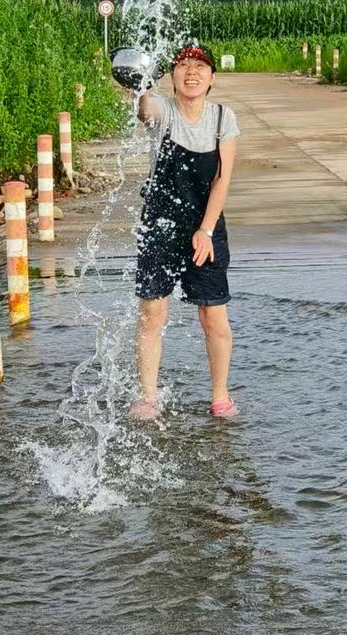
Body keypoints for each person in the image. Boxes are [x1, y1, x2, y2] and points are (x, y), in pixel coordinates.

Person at [129, 42, 241, 420]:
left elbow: (222, 179)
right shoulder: (163, 111)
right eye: (183, 66)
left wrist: (206, 231)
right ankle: (148, 397)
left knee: (213, 315)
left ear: (212, 78)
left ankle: (220, 396)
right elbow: (146, 109)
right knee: (152, 313)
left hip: (205, 226)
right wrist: (140, 87)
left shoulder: (224, 118)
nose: (192, 72)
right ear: (172, 76)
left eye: (200, 67)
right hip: (160, 224)